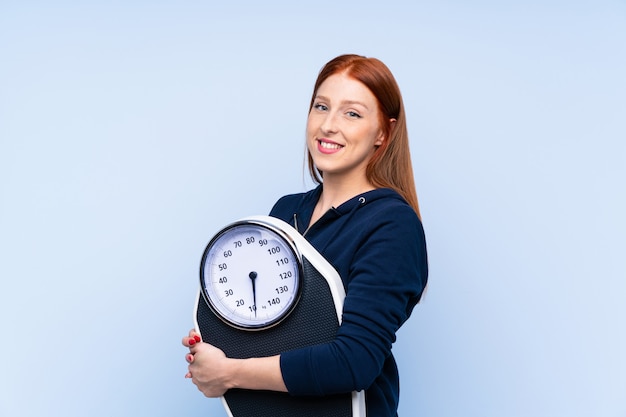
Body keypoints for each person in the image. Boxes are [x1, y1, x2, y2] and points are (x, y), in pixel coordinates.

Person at [182, 54, 428, 417]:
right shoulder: (285, 212)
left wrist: (229, 372)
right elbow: (265, 331)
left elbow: (354, 362)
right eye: (321, 107)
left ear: (383, 133)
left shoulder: (392, 225)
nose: (329, 125)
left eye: (352, 113)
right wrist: (211, 352)